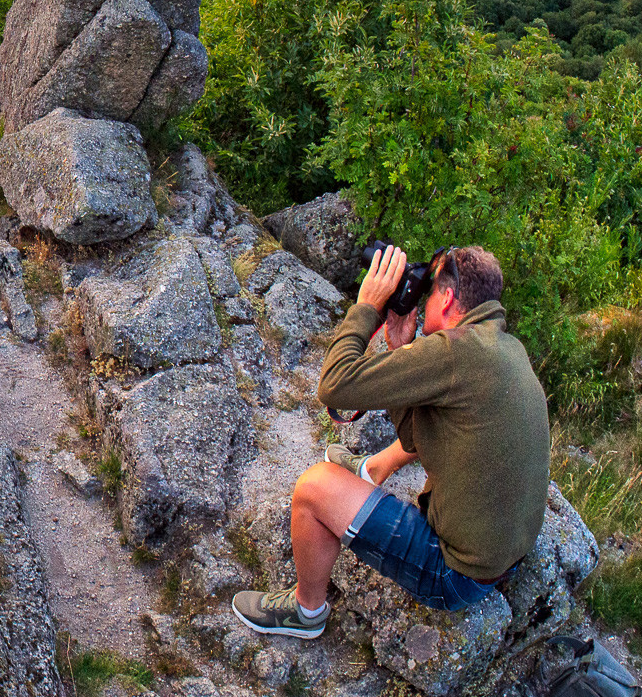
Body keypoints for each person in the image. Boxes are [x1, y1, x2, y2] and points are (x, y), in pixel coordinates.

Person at [231, 244, 550, 638]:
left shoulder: (455, 352)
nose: (425, 301)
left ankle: (305, 611)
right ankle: (371, 469)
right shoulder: (505, 348)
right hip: (501, 559)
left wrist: (366, 306)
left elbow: (334, 386)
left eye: (430, 293)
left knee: (314, 488)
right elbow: (416, 435)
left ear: (447, 298)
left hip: (454, 575)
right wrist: (400, 349)